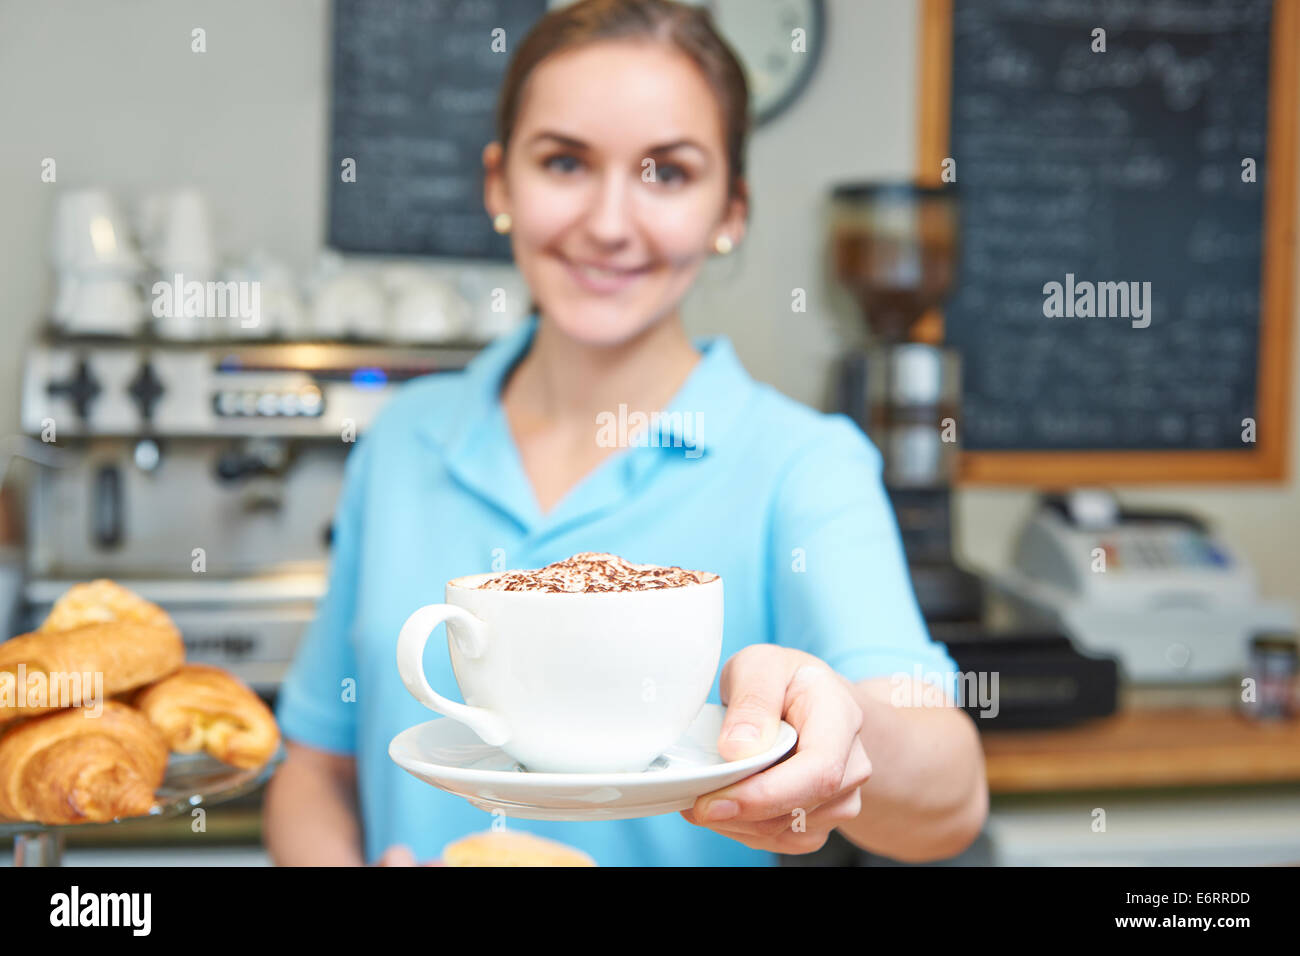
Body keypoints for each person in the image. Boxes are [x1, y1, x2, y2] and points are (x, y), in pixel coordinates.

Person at [263, 0, 986, 867]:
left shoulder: (802, 467)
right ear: (500, 185)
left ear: (732, 210)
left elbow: (949, 798)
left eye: (667, 173)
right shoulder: (400, 443)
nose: (609, 223)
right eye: (564, 162)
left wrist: (838, 723)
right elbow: (315, 766)